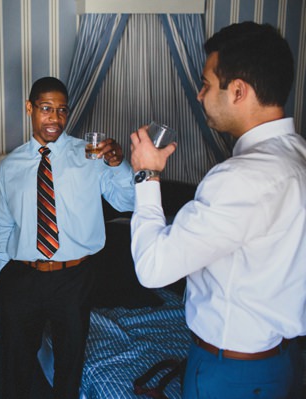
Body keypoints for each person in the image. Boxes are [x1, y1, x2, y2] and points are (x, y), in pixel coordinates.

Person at [129, 22, 306, 399]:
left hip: (232, 374)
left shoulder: (237, 178)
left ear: (238, 90)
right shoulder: (299, 156)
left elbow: (152, 268)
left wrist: (147, 174)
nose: (199, 95)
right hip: (284, 361)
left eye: (207, 84)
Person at [0, 76, 135, 398]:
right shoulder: (10, 166)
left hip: (74, 277)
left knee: (69, 365)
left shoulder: (91, 156)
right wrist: (3, 270)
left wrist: (117, 165)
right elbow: (2, 223)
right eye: (46, 108)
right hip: (22, 276)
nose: (54, 118)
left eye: (61, 110)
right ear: (30, 108)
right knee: (15, 363)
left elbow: (127, 202)